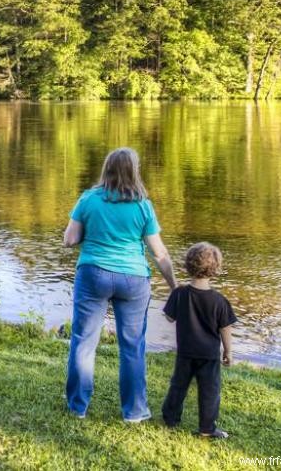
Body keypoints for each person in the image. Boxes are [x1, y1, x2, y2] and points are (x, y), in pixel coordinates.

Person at [63, 147, 177, 422]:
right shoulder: (142, 205)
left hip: (93, 274)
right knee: (132, 345)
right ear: (134, 172)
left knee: (84, 341)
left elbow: (69, 240)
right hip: (133, 278)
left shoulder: (88, 199)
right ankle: (135, 411)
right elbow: (159, 253)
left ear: (106, 169)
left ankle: (78, 407)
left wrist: (93, 231)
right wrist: (175, 286)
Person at [161, 242, 237, 438]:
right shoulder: (219, 300)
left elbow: (170, 317)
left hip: (185, 352)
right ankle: (206, 428)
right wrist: (228, 351)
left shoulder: (180, 293)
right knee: (210, 392)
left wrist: (174, 297)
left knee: (178, 385)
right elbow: (225, 328)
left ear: (188, 266)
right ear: (216, 269)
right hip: (209, 355)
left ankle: (170, 419)